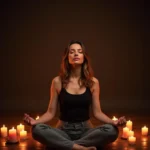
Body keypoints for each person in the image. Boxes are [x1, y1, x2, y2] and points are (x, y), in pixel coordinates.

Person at [23, 40, 126, 150]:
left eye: (79, 51)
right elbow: (50, 112)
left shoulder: (93, 82)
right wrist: (35, 122)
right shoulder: (57, 81)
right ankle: (78, 147)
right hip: (63, 130)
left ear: (84, 57)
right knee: (36, 130)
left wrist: (113, 122)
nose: (76, 54)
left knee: (112, 131)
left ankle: (66, 145)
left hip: (86, 131)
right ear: (67, 57)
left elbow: (97, 112)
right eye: (72, 52)